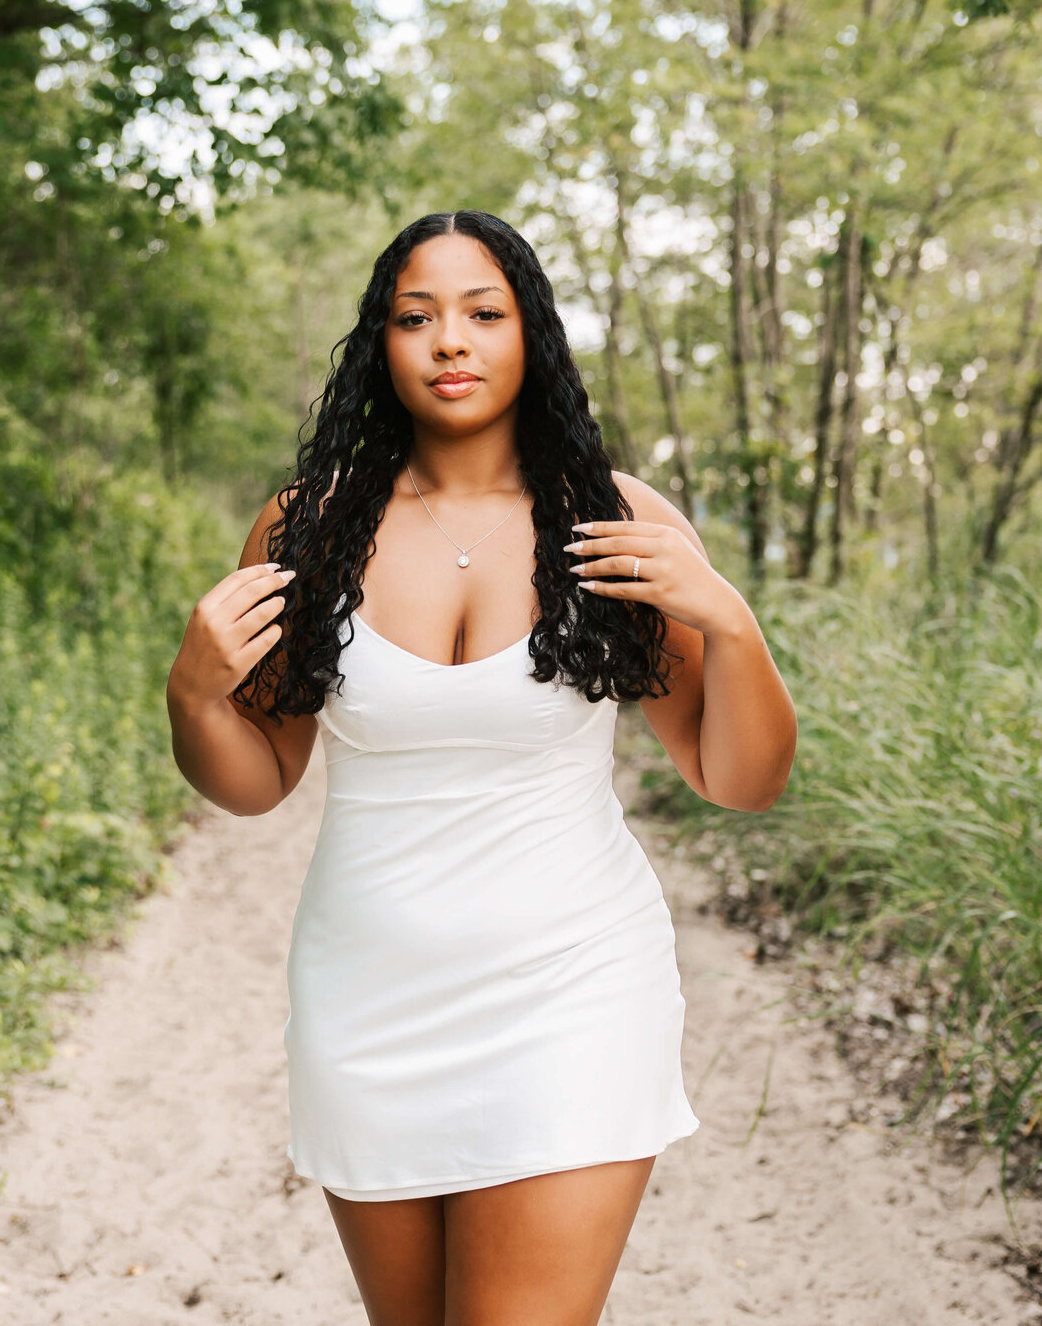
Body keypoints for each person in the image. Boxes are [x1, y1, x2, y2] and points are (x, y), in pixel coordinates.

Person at [166, 210, 797, 1326]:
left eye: (482, 313)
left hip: (574, 991)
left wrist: (731, 626)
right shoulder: (306, 528)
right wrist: (193, 691)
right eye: (417, 317)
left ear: (530, 334)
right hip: (368, 1002)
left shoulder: (615, 520)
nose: (450, 341)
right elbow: (259, 776)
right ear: (381, 342)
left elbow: (738, 776)